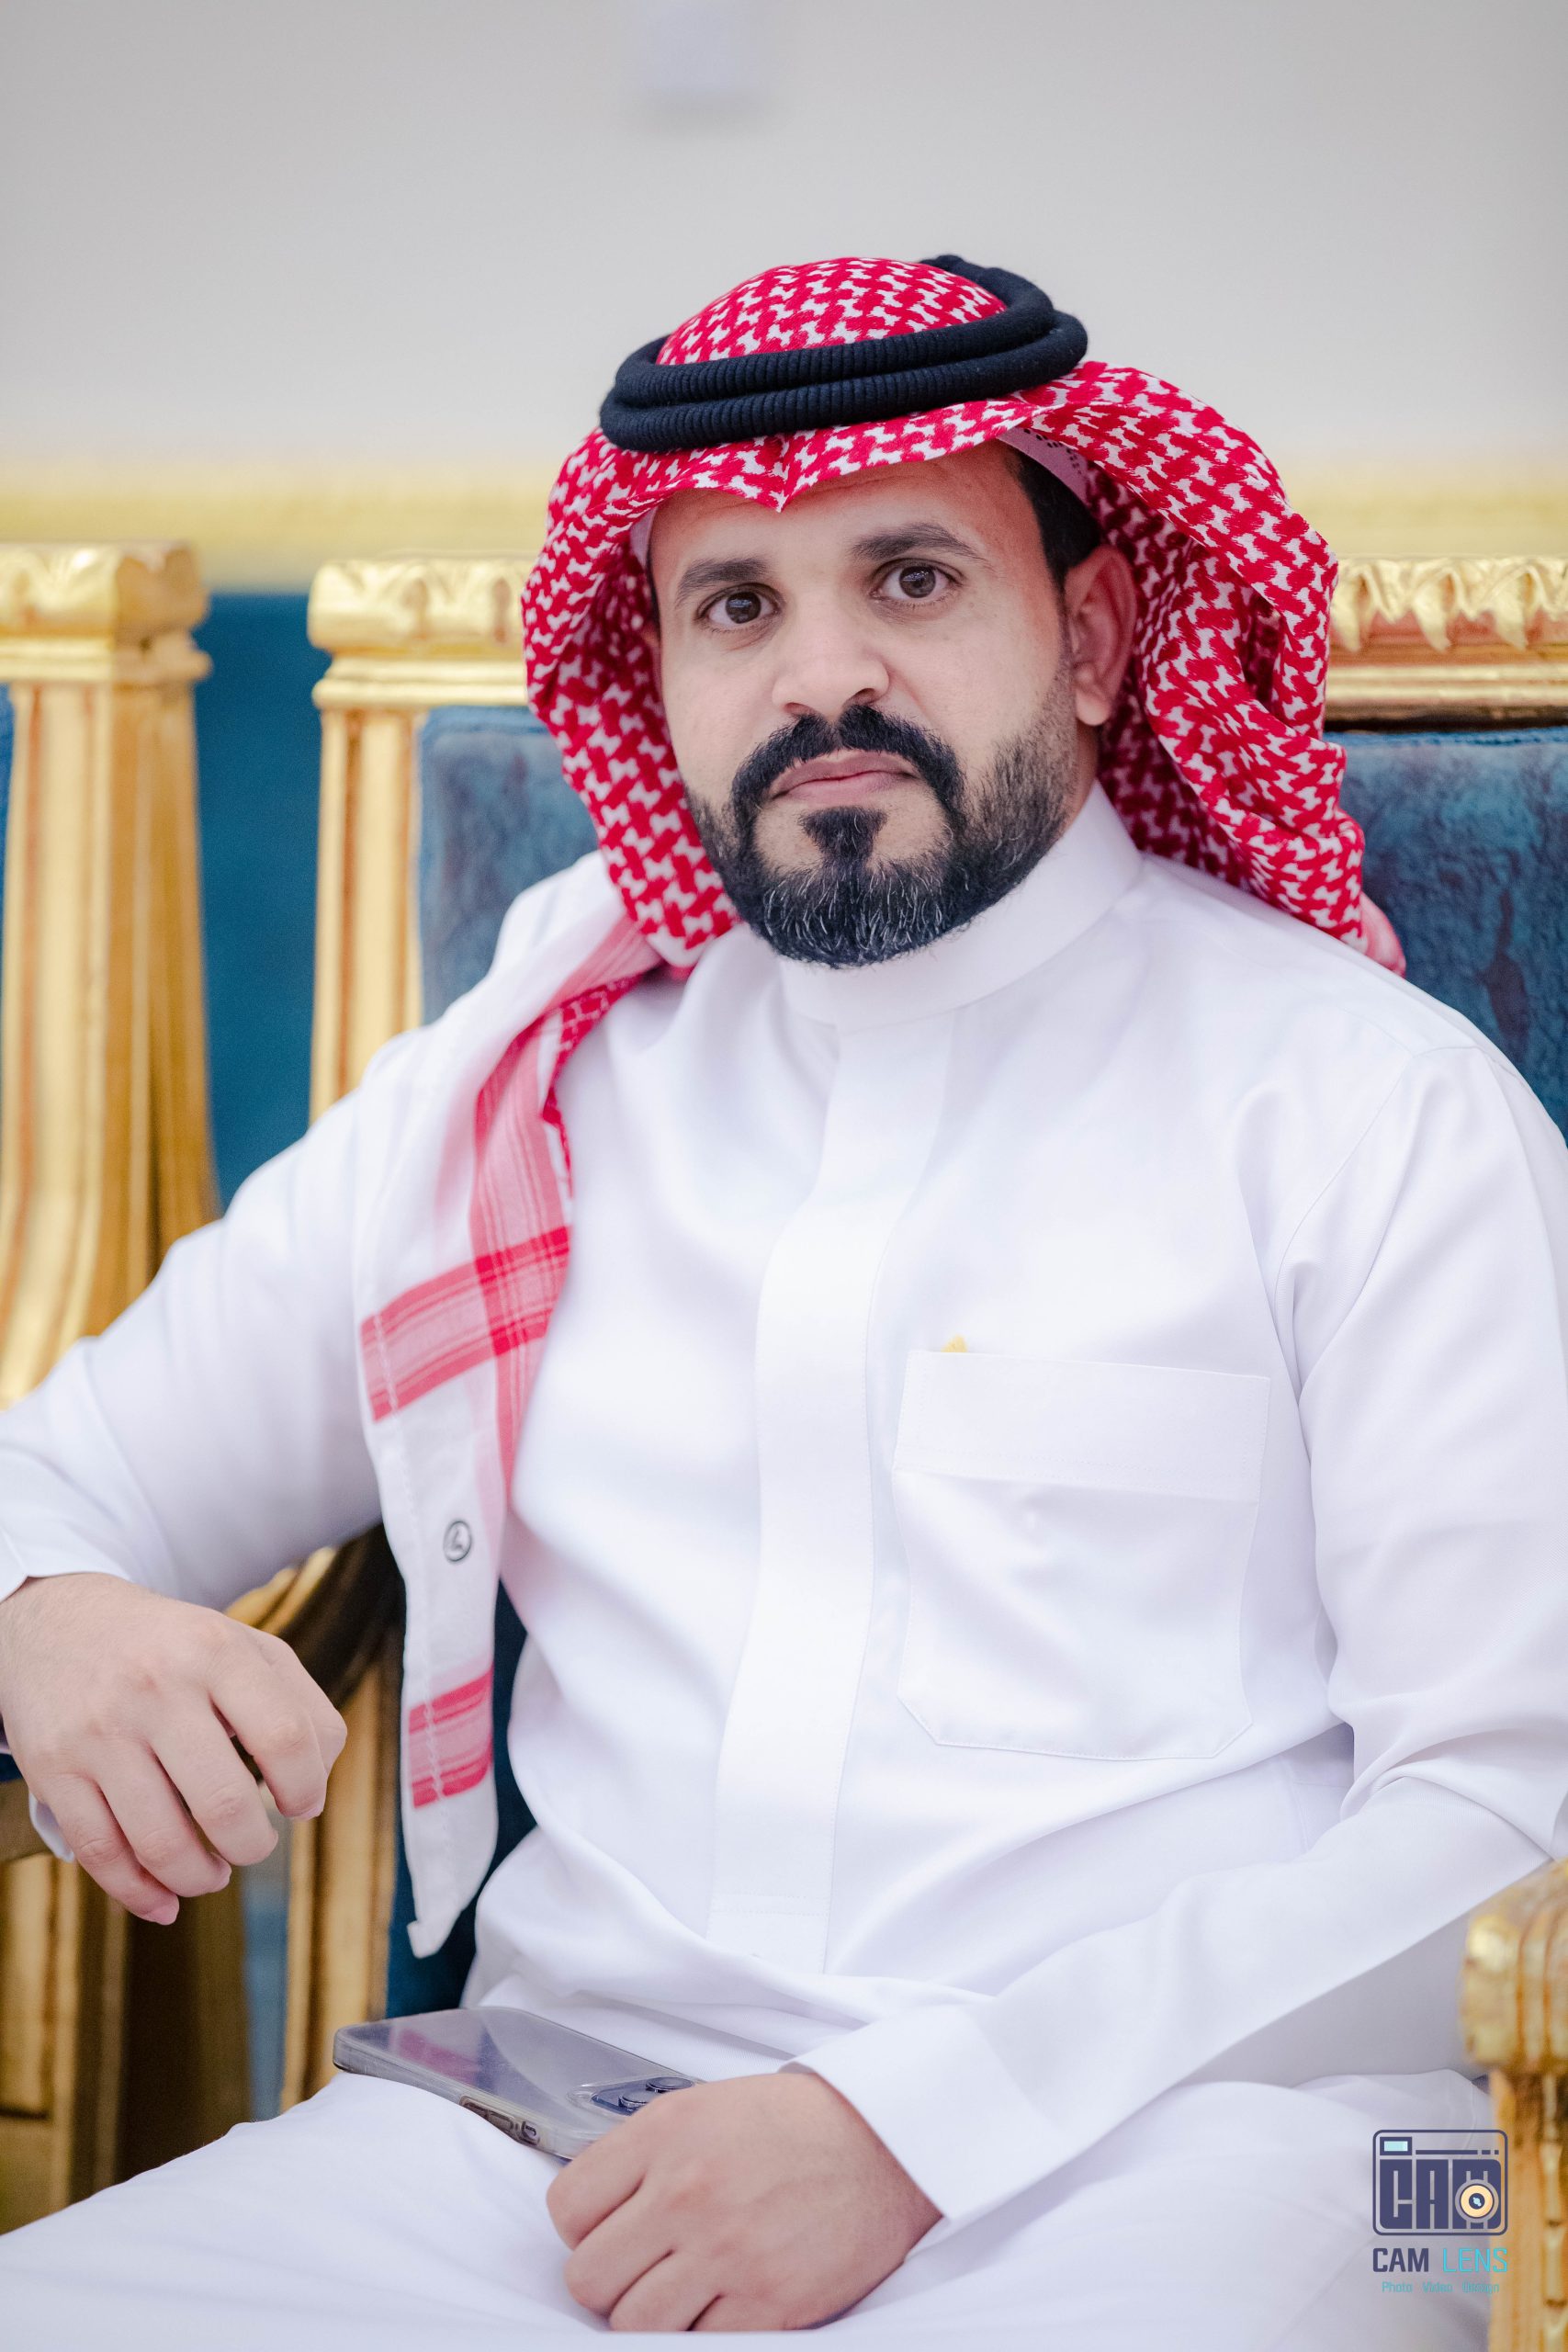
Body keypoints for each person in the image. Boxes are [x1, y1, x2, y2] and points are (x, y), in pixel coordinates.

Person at [0, 254, 1563, 2349]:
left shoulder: (1367, 1113)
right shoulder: (525, 1087)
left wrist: (909, 2123)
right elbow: (55, 1474)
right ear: (653, 675)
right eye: (735, 605)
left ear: (1098, 637)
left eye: (910, 578)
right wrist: (51, 1617)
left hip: (1234, 2149)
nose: (823, 678)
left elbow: (1510, 1824)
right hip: (550, 2155)